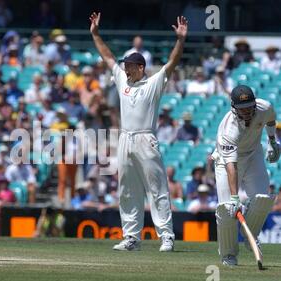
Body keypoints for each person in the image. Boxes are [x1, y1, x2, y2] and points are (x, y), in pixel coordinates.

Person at [90, 12, 188, 252]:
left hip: (146, 138)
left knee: (157, 189)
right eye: (125, 66)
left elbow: (172, 63)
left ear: (141, 67)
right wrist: (95, 34)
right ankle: (131, 237)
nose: (125, 69)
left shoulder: (153, 83)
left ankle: (166, 236)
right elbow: (107, 57)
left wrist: (181, 40)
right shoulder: (123, 81)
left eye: (130, 66)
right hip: (125, 138)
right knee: (127, 190)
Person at [211, 85, 279, 266]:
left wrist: (273, 142)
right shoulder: (228, 130)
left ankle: (251, 236)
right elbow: (231, 166)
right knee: (227, 209)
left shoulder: (264, 107)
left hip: (254, 154)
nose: (247, 111)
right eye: (242, 108)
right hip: (227, 163)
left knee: (263, 199)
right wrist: (234, 197)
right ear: (234, 108)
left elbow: (271, 119)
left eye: (249, 106)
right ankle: (228, 255)